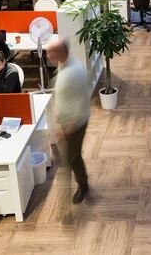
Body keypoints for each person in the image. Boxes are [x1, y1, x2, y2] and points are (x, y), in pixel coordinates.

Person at [46, 37, 91, 204]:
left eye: (52, 53)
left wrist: (67, 129)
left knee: (72, 158)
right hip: (66, 119)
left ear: (62, 52)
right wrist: (58, 115)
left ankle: (83, 185)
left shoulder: (75, 73)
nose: (48, 57)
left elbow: (82, 104)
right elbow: (65, 95)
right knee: (71, 157)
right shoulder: (65, 63)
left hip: (76, 123)